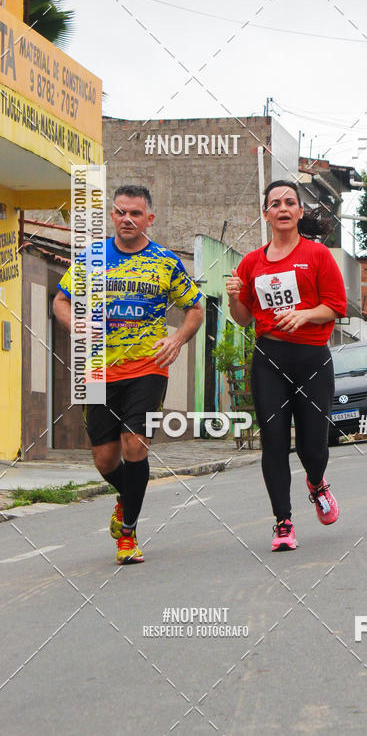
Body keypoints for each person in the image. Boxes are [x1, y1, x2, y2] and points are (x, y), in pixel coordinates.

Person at [53, 186, 204, 564]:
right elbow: (61, 300)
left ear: (149, 219)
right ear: (112, 216)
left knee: (135, 446)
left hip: (147, 368)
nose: (127, 219)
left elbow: (196, 309)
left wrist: (178, 340)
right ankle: (127, 497)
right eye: (120, 212)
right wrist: (76, 326)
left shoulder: (165, 262)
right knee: (105, 460)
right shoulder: (91, 258)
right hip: (99, 370)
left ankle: (128, 534)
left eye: (135, 213)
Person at [225, 180, 346, 551]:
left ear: (298, 213)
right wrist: (233, 298)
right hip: (270, 358)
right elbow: (244, 319)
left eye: (289, 202)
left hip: (311, 358)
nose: (282, 208)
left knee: (313, 446)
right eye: (274, 203)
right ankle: (283, 522)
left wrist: (306, 315)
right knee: (273, 441)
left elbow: (336, 307)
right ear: (266, 214)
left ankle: (317, 481)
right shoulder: (251, 262)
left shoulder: (317, 256)